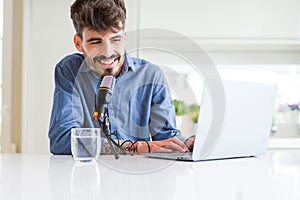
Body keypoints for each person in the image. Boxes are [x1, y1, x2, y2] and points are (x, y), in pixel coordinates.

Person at [48, 0, 194, 155]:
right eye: (96, 42)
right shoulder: (69, 71)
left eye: (115, 39)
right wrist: (134, 147)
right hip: (86, 175)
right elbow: (61, 140)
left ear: (124, 37)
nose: (108, 52)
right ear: (79, 43)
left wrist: (187, 143)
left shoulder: (150, 75)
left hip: (138, 176)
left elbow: (166, 137)